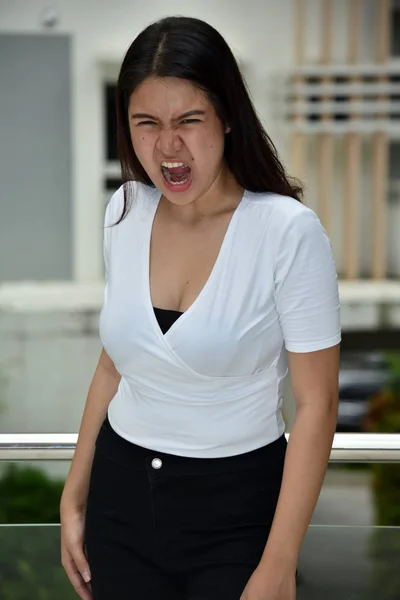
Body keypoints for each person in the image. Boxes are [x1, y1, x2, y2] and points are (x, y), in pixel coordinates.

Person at [60, 15, 341, 600]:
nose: (168, 146)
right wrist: (75, 493)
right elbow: (114, 364)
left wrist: (279, 564)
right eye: (147, 123)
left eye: (189, 120)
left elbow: (316, 405)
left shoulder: (286, 232)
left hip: (237, 510)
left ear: (229, 116)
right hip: (120, 498)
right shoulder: (125, 210)